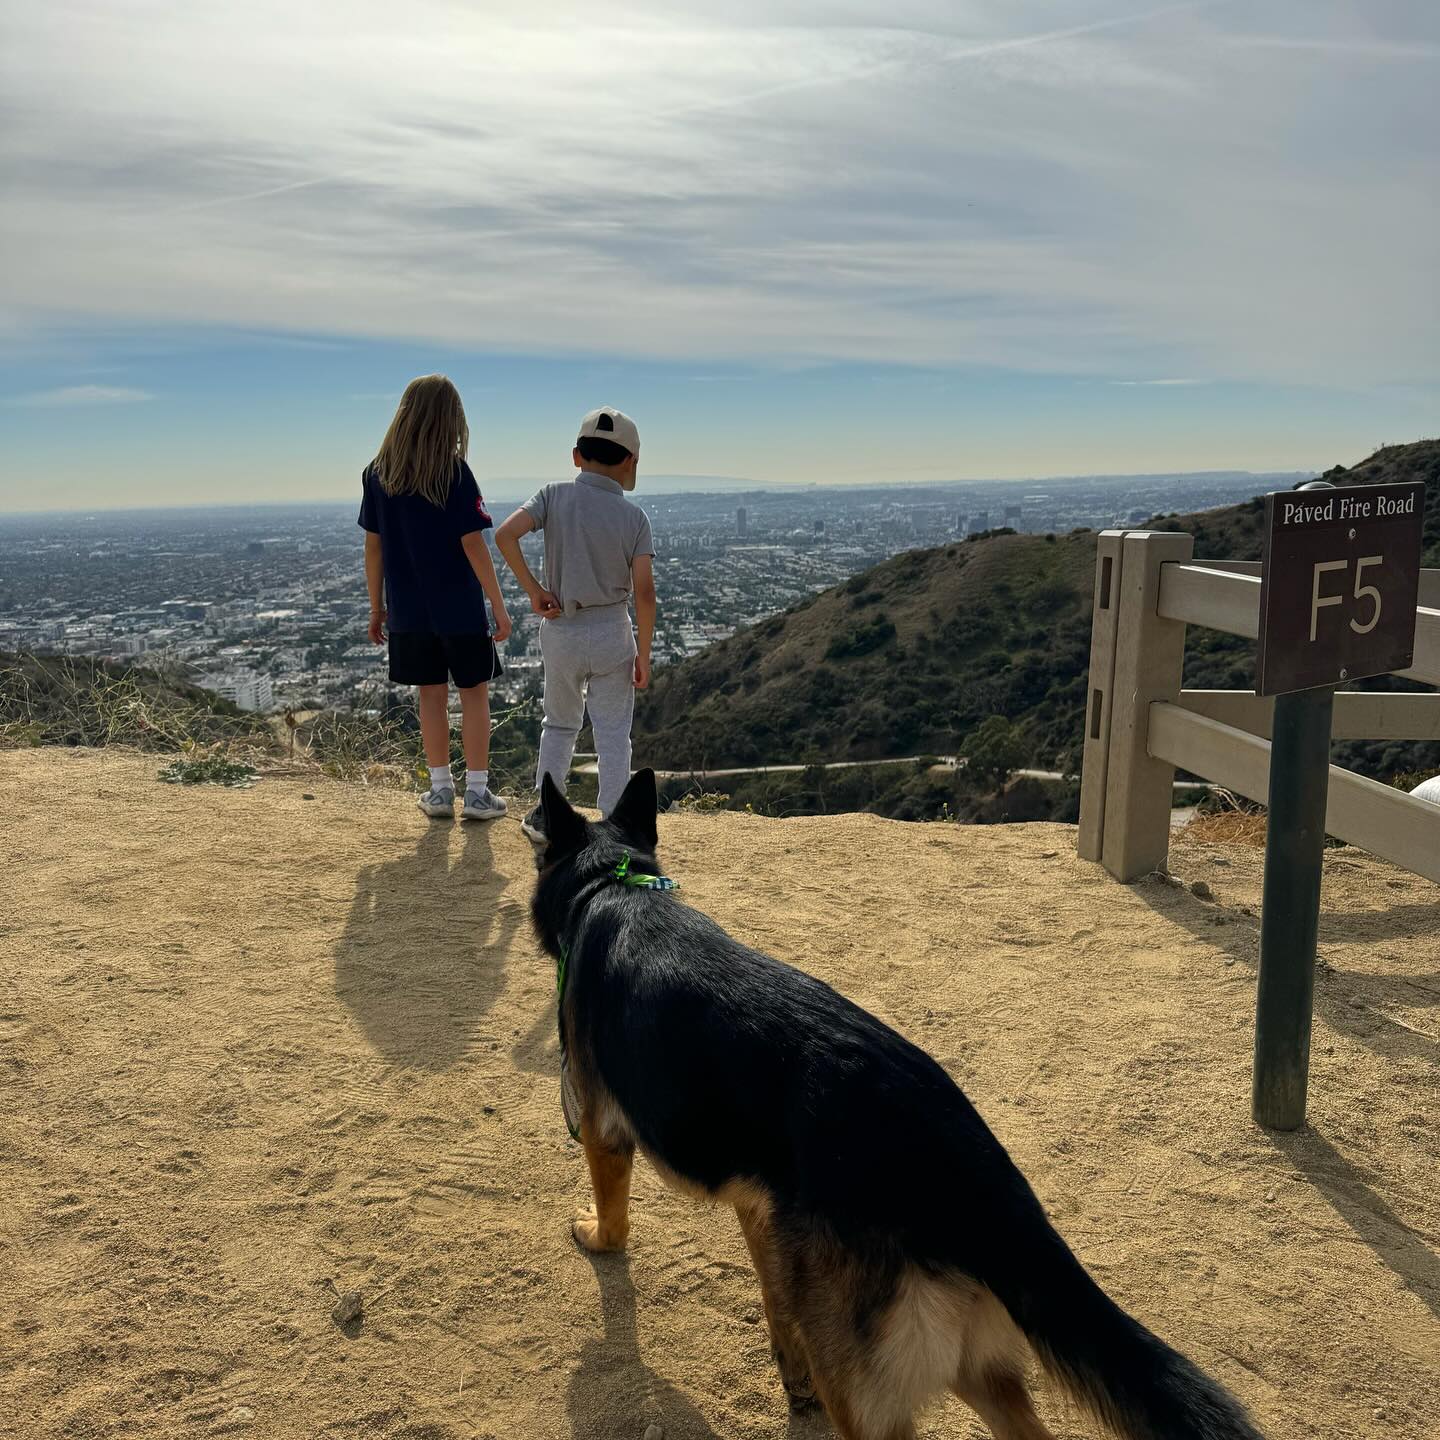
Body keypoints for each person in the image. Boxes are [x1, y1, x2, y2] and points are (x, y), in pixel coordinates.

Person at [494, 406, 656, 840]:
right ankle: (617, 824)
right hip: (611, 631)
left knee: (560, 723)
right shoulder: (634, 519)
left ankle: (547, 816)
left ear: (576, 456)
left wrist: (533, 590)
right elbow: (644, 592)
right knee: (613, 733)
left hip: (562, 626)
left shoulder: (553, 495)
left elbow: (505, 534)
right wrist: (644, 653)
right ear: (630, 462)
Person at [360, 374, 512, 821]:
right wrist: (498, 609)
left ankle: (441, 791)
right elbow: (473, 545)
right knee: (474, 694)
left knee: (430, 695)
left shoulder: (377, 474)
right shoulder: (454, 472)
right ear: (452, 419)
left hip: (409, 612)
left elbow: (374, 547)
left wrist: (377, 606)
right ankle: (479, 794)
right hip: (460, 610)